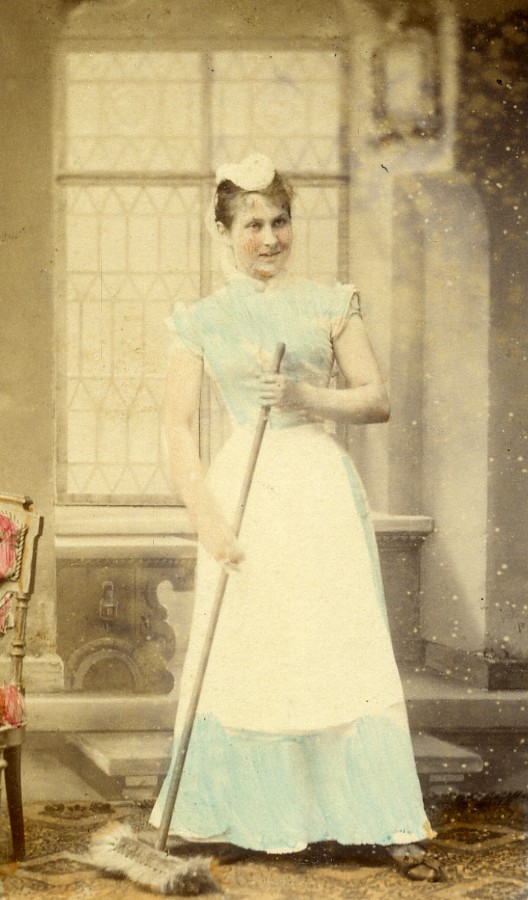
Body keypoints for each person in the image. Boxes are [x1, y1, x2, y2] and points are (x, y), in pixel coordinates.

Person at [150, 154, 439, 881]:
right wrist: (206, 519)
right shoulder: (201, 319)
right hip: (241, 494)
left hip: (316, 490)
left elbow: (376, 399)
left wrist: (306, 397)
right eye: (252, 225)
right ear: (224, 231)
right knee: (254, 652)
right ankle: (248, 817)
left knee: (333, 648)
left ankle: (369, 817)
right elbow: (177, 427)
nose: (270, 238)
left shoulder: (330, 303)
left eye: (280, 222)